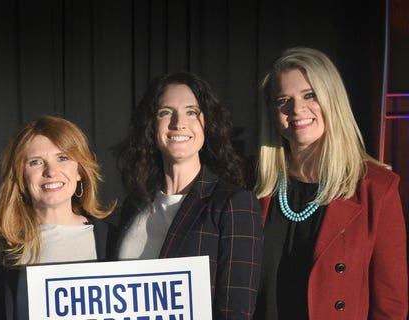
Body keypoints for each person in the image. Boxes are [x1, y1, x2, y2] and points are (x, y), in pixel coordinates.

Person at [253, 47, 408, 319]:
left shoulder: (376, 188)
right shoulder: (251, 185)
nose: (297, 109)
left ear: (332, 100)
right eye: (283, 100)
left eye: (310, 95)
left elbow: (390, 305)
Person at [112, 72, 264, 319]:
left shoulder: (233, 204)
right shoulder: (135, 204)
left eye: (191, 112)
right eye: (165, 112)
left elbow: (236, 312)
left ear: (208, 124)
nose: (178, 123)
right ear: (151, 125)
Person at [0, 115, 116, 320]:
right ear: (21, 177)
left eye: (62, 158)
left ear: (80, 170)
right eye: (35, 162)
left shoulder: (112, 242)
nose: (51, 171)